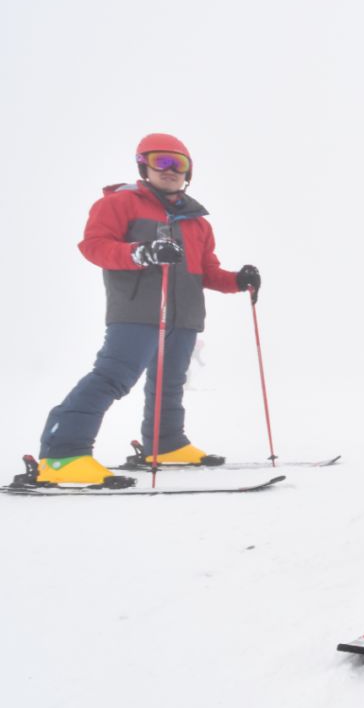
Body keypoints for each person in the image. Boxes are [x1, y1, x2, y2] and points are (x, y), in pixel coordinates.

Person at [24, 133, 261, 487]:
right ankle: (62, 455)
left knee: (170, 384)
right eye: (160, 161)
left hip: (185, 317)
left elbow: (207, 271)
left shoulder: (198, 222)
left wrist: (238, 280)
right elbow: (94, 246)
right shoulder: (121, 204)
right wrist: (141, 252)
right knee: (112, 377)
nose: (169, 170)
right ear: (143, 165)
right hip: (137, 311)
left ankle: (164, 445)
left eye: (178, 164)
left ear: (188, 172)